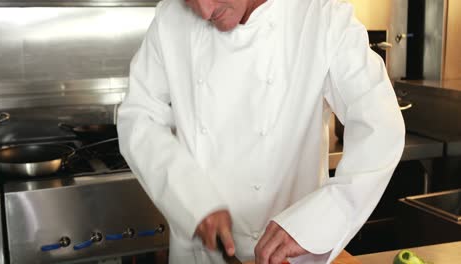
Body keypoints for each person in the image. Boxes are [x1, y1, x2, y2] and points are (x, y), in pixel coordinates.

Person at [117, 0, 405, 263]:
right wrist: (191, 199)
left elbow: (380, 127)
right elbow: (138, 117)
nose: (204, 11)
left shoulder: (320, 15)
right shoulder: (170, 17)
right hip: (201, 255)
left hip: (288, 255)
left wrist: (315, 224)